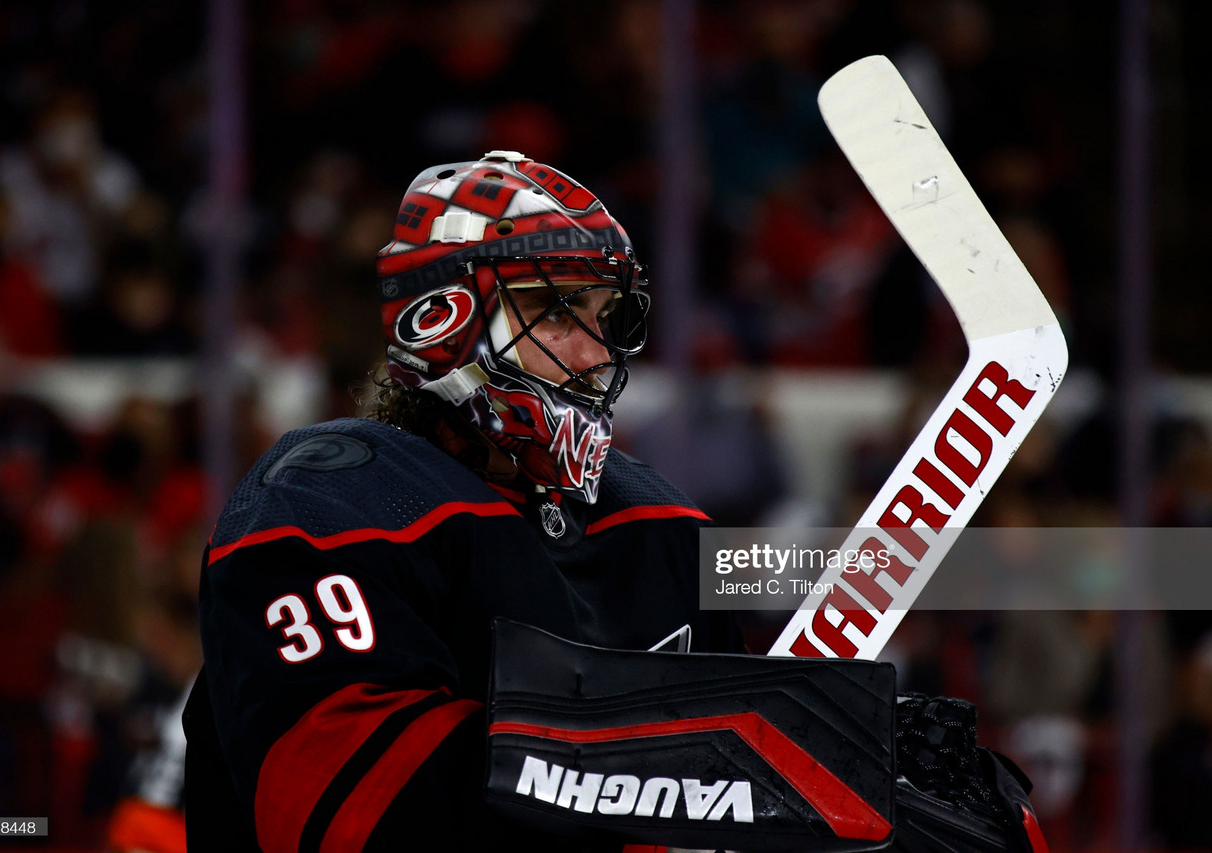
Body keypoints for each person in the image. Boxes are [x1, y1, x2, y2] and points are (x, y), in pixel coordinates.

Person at [182, 151, 1044, 852]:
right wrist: (700, 754)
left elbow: (722, 803)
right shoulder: (327, 496)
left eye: (609, 315)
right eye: (556, 311)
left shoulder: (658, 521)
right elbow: (348, 812)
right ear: (443, 317)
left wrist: (838, 792)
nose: (596, 352)